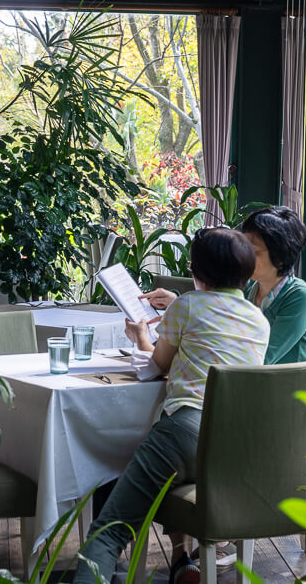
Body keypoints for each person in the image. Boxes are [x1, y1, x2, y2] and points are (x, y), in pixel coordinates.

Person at [73, 227, 269, 584]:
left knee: (110, 530)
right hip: (234, 448)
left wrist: (142, 337)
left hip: (184, 434)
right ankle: (182, 561)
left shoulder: (187, 305)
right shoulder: (259, 321)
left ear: (196, 271)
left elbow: (159, 364)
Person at [142, 205, 306, 365]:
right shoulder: (249, 287)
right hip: (238, 383)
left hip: (283, 392)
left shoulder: (299, 297)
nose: (243, 255)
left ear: (280, 257)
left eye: (253, 251)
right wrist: (176, 302)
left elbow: (262, 359)